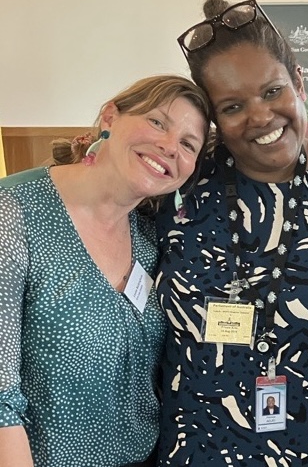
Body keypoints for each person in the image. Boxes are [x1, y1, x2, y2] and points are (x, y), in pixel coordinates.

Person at [155, 0, 308, 466]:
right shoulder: (179, 189)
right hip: (193, 452)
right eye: (233, 105)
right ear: (214, 118)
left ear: (299, 83)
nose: (260, 116)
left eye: (272, 92)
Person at [0, 75, 211, 467]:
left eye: (188, 144)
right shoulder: (13, 213)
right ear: (110, 117)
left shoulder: (152, 236)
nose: (169, 146)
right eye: (158, 122)